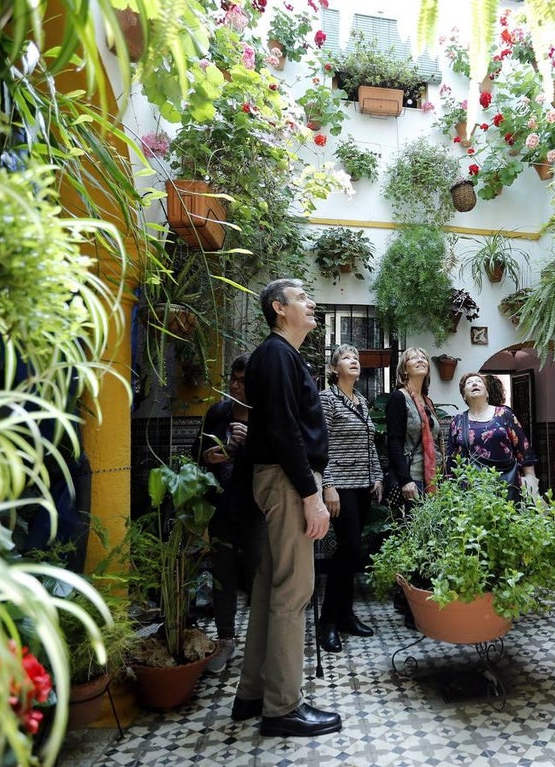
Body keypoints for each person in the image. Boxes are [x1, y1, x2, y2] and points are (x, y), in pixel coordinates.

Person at [230, 279, 341, 738]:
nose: (311, 303)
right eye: (301, 297)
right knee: (293, 594)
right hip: (286, 481)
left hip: (277, 479)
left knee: (270, 592)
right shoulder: (276, 355)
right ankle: (282, 707)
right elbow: (283, 430)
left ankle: (254, 693)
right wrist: (310, 493)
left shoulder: (279, 356)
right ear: (279, 309)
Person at [193, 353, 261, 674]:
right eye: (232, 379)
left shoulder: (264, 415)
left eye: (243, 381)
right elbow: (197, 451)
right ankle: (225, 639)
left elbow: (272, 461)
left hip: (256, 510)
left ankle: (262, 644)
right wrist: (209, 454)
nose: (235, 385)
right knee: (222, 575)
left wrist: (247, 445)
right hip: (221, 507)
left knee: (257, 577)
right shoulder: (217, 412)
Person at [318, 345, 383, 653]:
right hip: (340, 485)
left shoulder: (362, 401)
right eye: (346, 357)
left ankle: (344, 615)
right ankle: (328, 622)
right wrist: (327, 486)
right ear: (334, 368)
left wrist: (378, 475)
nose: (354, 361)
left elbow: (370, 444)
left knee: (352, 552)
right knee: (349, 548)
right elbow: (321, 445)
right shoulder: (327, 399)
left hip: (362, 486)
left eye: (356, 358)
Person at [445, 372, 538, 501]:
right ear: (464, 395)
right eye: (469, 383)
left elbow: (523, 447)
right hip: (472, 489)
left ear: (487, 393)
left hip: (507, 484)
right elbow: (451, 457)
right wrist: (450, 488)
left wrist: (530, 478)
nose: (474, 384)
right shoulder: (458, 421)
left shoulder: (504, 414)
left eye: (478, 381)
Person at [384, 347, 443, 507]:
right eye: (414, 358)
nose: (420, 360)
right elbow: (394, 441)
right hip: (412, 479)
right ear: (404, 369)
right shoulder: (399, 398)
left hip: (432, 478)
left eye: (423, 357)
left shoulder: (427, 401)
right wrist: (405, 481)